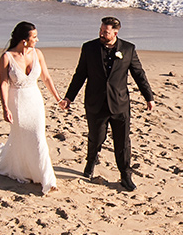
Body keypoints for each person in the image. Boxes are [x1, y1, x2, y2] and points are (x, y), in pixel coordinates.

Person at [64, 15, 155, 192]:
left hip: (120, 103)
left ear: (115, 32)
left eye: (105, 32)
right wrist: (69, 97)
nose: (101, 34)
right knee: (96, 137)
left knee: (122, 142)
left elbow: (139, 74)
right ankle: (90, 162)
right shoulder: (89, 48)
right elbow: (80, 74)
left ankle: (125, 175)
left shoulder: (128, 49)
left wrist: (148, 97)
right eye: (100, 30)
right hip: (95, 103)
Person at [0, 21, 62, 194]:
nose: (37, 39)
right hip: (17, 101)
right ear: (24, 40)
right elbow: (3, 83)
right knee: (21, 136)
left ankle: (46, 178)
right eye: (34, 37)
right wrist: (5, 108)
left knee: (38, 136)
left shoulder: (38, 53)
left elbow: (46, 78)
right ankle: (24, 169)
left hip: (34, 100)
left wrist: (58, 99)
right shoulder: (7, 57)